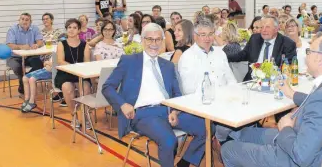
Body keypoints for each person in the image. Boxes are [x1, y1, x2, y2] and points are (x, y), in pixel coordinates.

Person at [221, 35, 322, 167]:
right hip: (313, 144)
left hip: (295, 158)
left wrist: (286, 128)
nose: (306, 56)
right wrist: (292, 93)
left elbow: (301, 156)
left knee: (228, 149)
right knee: (241, 134)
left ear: (320, 58)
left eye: (309, 52)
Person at [102, 23, 207, 167]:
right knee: (169, 140)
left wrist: (175, 111)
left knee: (207, 127)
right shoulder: (129, 61)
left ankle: (185, 162)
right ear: (143, 40)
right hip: (143, 113)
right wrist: (122, 104)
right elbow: (107, 87)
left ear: (162, 41)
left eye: (158, 39)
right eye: (150, 39)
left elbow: (177, 93)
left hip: (169, 110)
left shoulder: (168, 65)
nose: (154, 43)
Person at [227, 15, 297, 81]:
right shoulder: (254, 38)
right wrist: (224, 57)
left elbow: (289, 68)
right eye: (262, 27)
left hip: (275, 82)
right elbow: (242, 55)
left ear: (276, 29)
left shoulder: (288, 44)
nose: (264, 30)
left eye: (267, 27)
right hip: (252, 81)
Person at [178, 18, 237, 94]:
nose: (207, 38)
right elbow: (189, 90)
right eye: (203, 35)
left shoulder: (220, 53)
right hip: (203, 101)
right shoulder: (187, 57)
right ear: (194, 36)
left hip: (226, 98)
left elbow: (231, 79)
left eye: (210, 34)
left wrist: (232, 94)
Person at [54, 18, 92, 128]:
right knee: (67, 87)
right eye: (69, 27)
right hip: (65, 73)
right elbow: (60, 61)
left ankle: (85, 115)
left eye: (75, 27)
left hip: (81, 73)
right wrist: (74, 67)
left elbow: (87, 62)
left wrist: (79, 69)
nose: (71, 30)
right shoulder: (62, 44)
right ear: (66, 29)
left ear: (79, 30)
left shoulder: (85, 45)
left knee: (85, 88)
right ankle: (74, 116)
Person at [6, 13, 44, 95]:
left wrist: (37, 44)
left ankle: (25, 79)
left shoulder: (35, 28)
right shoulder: (12, 29)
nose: (24, 21)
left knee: (39, 64)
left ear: (30, 21)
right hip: (14, 57)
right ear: (19, 20)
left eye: (27, 20)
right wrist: (21, 47)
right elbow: (9, 45)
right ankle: (23, 83)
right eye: (22, 19)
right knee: (18, 67)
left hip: (30, 56)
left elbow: (40, 41)